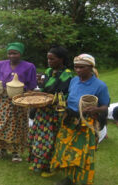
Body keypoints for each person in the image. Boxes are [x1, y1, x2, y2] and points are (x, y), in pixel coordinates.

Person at [50, 54, 110, 185]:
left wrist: (95, 110)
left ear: (91, 67)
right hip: (69, 120)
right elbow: (71, 97)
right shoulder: (74, 80)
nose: (77, 70)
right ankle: (70, 178)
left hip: (85, 124)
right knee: (65, 150)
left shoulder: (99, 85)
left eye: (82, 67)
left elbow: (105, 106)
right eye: (76, 66)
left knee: (83, 156)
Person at [0, 42, 37, 162]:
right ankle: (1, 150)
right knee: (0, 124)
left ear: (20, 53)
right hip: (2, 100)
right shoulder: (0, 64)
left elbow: (32, 85)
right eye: (9, 53)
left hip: (19, 100)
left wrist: (26, 98)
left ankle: (16, 153)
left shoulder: (29, 67)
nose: (12, 56)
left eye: (15, 53)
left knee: (17, 126)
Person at [27, 46, 74, 176]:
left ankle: (50, 167)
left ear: (61, 59)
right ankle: (38, 163)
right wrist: (37, 92)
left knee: (50, 139)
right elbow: (45, 89)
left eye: (52, 59)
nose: (49, 61)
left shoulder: (66, 74)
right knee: (38, 136)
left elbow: (63, 94)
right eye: (48, 58)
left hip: (55, 111)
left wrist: (47, 96)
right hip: (43, 109)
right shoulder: (48, 71)